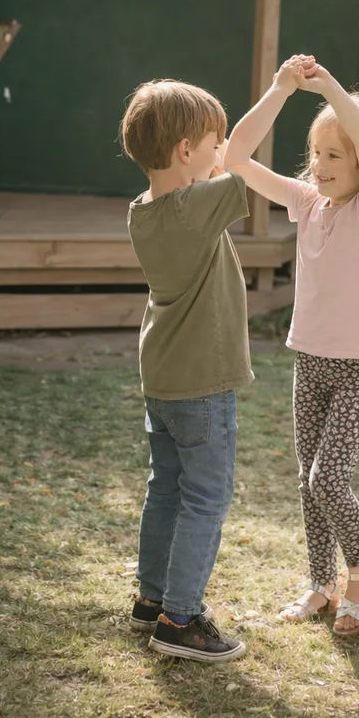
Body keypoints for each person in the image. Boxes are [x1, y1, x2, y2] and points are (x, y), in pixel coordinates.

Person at [224, 55, 359, 637]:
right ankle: (322, 584)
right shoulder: (307, 202)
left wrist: (329, 88)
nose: (319, 167)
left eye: (333, 155)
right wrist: (277, 89)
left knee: (329, 478)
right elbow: (234, 159)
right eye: (315, 153)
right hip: (312, 360)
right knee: (307, 479)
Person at [120, 78, 254, 662]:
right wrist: (276, 90)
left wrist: (217, 152)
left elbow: (227, 160)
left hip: (164, 379)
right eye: (212, 142)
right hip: (202, 383)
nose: (220, 152)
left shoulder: (143, 212)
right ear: (184, 150)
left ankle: (151, 601)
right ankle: (180, 619)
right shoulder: (195, 207)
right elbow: (245, 161)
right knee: (207, 496)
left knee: (167, 490)